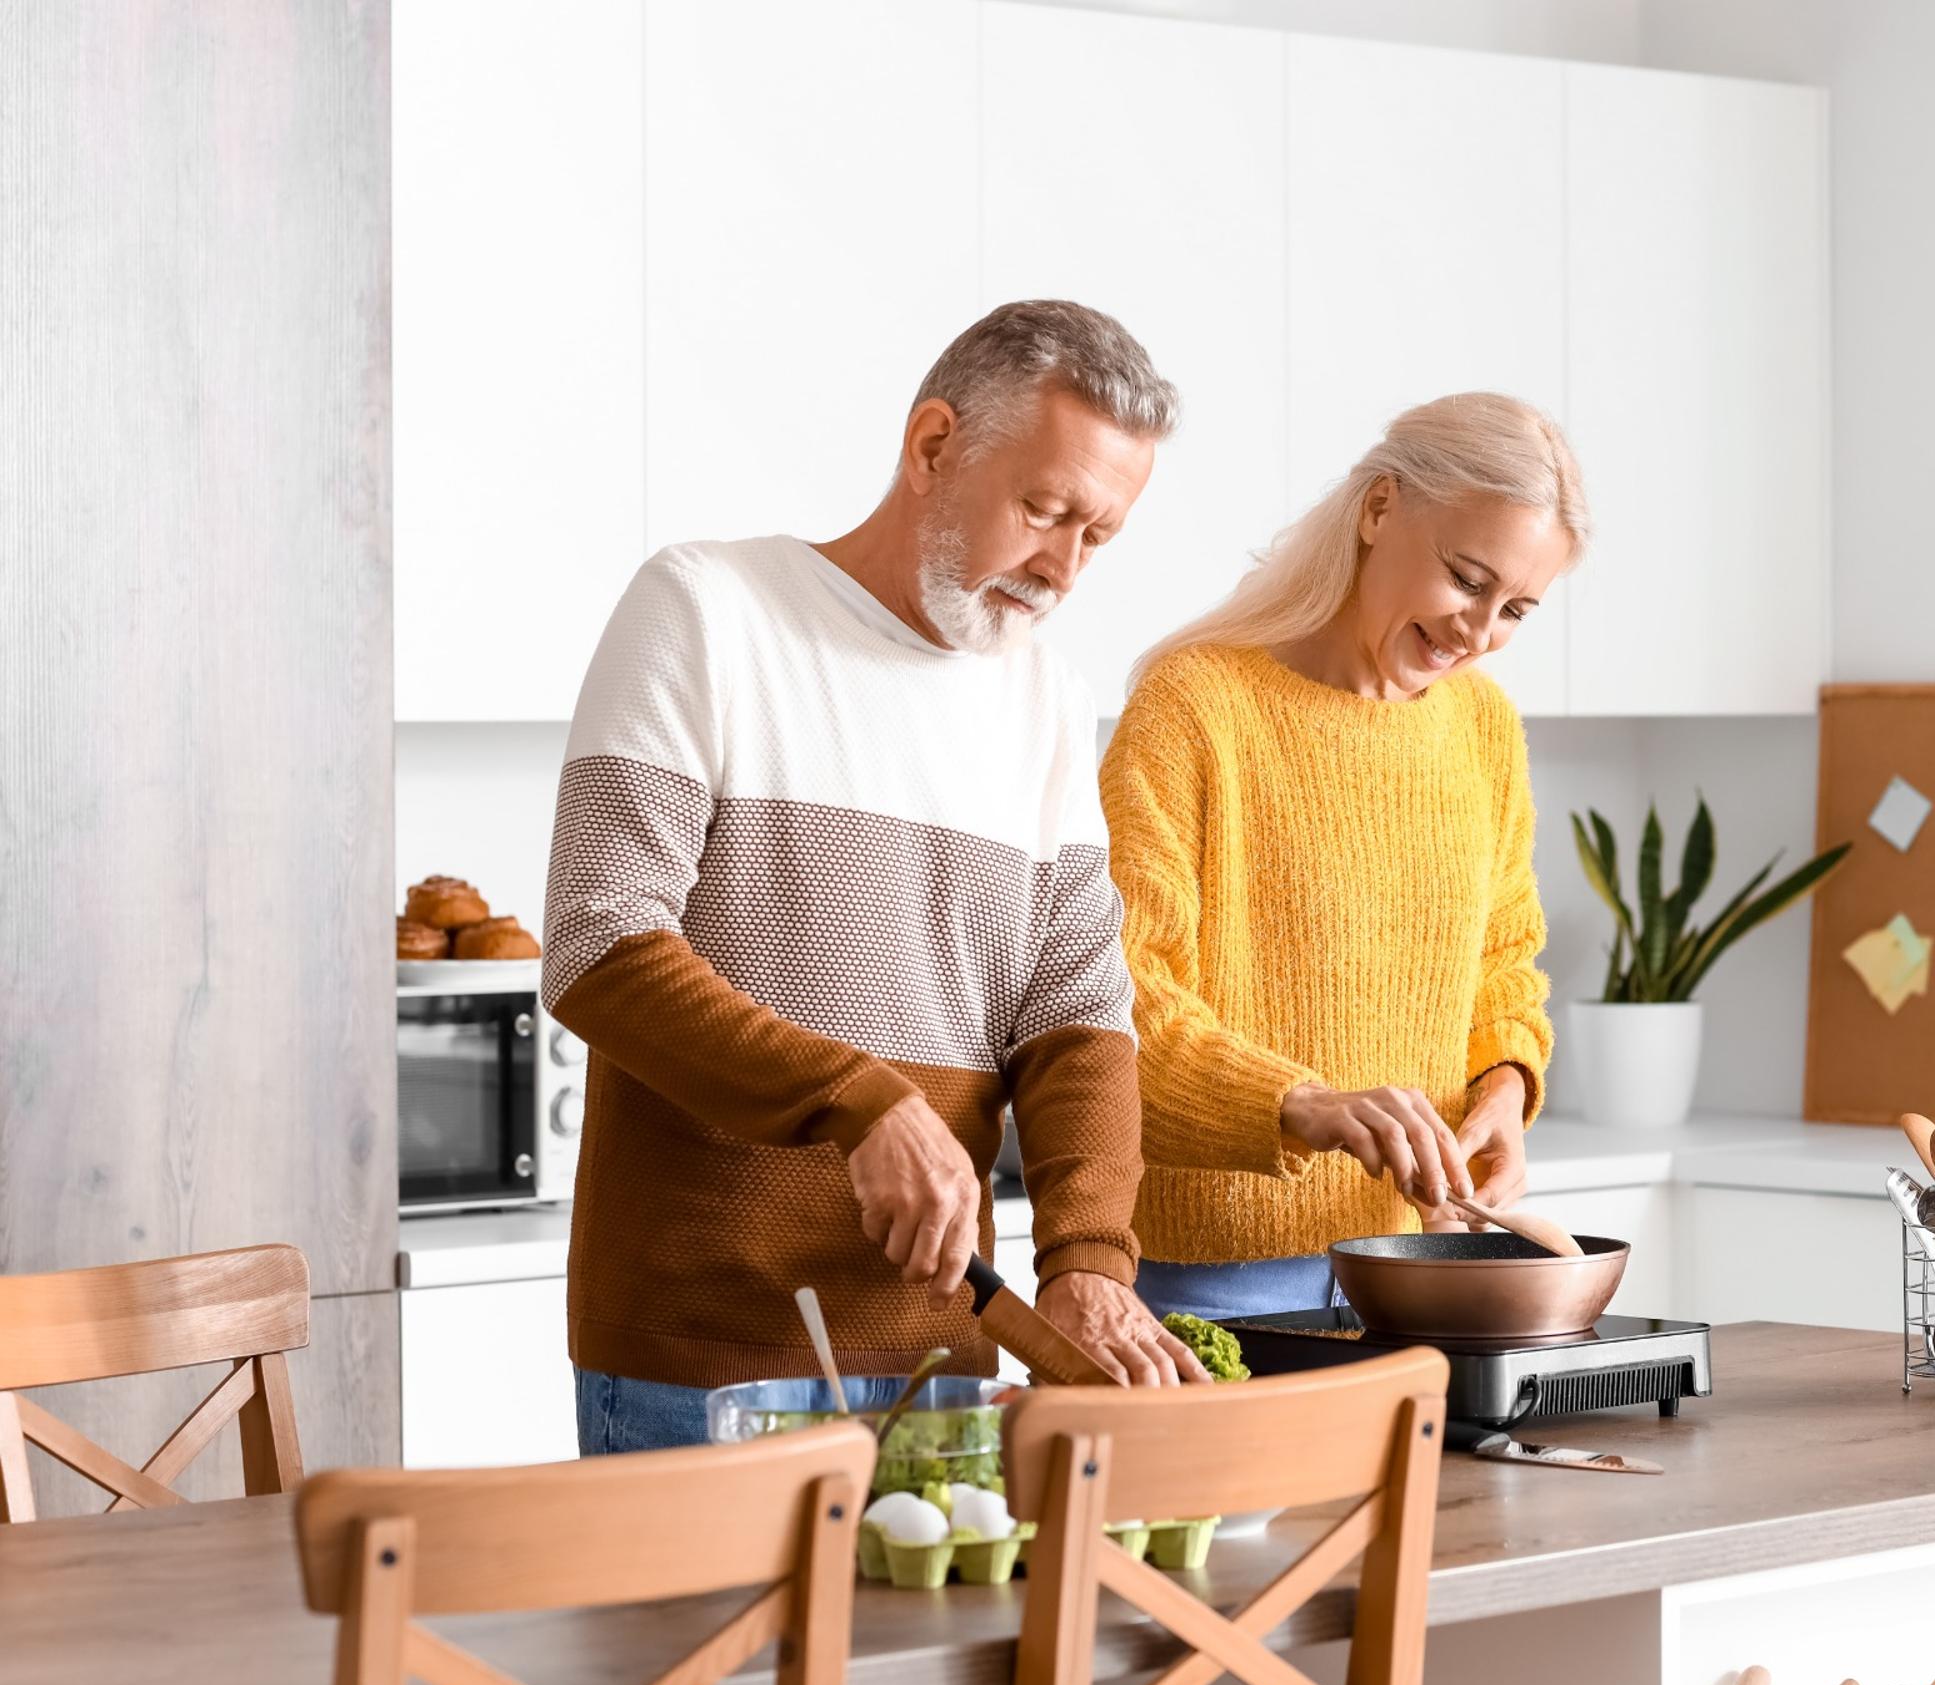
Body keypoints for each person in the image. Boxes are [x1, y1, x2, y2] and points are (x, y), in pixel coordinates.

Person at [545, 300, 1209, 1454]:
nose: (1060, 566)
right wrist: (860, 1100)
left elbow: (1077, 1015)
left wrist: (1090, 1259)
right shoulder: (710, 607)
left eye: (1096, 535)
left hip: (942, 1366)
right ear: (933, 445)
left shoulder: (1045, 698)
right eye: (1043, 509)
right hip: (698, 1361)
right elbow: (600, 943)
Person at [1100, 392, 1587, 1320]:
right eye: (1467, 578)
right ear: (1378, 509)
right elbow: (1122, 1001)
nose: (1479, 633)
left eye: (1516, 608)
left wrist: (1505, 1087)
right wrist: (1305, 1104)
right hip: (1223, 1277)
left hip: (1422, 1259)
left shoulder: (1482, 728)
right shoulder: (1195, 707)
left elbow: (1501, 965)